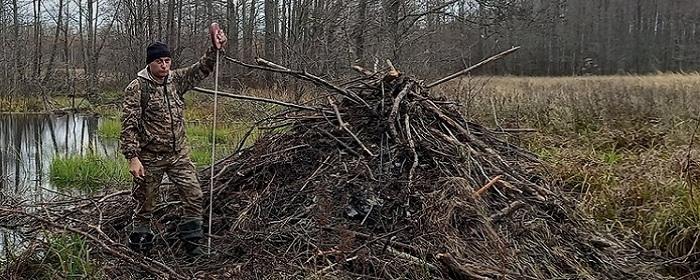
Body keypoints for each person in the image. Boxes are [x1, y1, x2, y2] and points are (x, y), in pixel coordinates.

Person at [120, 29, 227, 257]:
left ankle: (192, 245)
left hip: (178, 155)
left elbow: (202, 68)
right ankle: (141, 249)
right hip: (150, 157)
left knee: (194, 195)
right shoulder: (137, 88)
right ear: (150, 63)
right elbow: (129, 125)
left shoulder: (176, 80)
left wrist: (215, 48)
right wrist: (133, 157)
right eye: (160, 61)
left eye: (168, 61)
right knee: (144, 205)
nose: (165, 66)